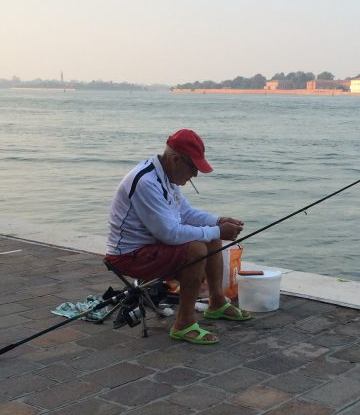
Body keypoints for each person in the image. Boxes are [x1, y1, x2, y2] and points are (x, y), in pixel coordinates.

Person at [105, 129, 251, 345]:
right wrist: (217, 230)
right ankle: (183, 323)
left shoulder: (166, 176)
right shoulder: (146, 182)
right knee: (196, 249)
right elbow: (170, 233)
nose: (195, 175)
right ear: (175, 160)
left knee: (211, 238)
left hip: (153, 247)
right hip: (129, 255)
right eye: (193, 168)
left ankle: (217, 302)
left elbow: (187, 214)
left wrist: (218, 221)